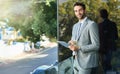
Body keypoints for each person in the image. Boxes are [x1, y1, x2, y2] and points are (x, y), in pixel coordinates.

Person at [68, 2, 100, 74]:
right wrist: (71, 43)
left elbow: (96, 46)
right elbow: (75, 41)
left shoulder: (91, 24)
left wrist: (79, 48)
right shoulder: (75, 26)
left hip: (86, 62)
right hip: (75, 60)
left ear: (85, 10)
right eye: (76, 11)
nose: (78, 13)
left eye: (80, 10)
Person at [98, 9, 118, 73]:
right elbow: (116, 37)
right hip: (110, 47)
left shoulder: (99, 26)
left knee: (104, 64)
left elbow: (98, 38)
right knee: (108, 63)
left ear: (101, 15)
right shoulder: (113, 24)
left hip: (102, 48)